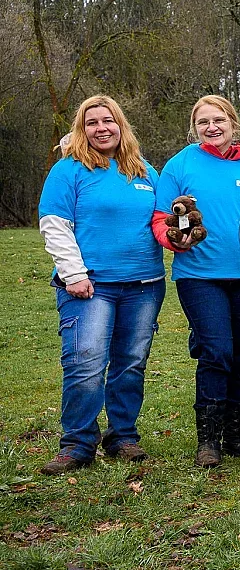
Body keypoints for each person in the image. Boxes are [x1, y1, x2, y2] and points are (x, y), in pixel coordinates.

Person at [37, 96, 166, 474]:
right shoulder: (69, 170)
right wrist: (73, 273)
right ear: (82, 129)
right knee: (86, 363)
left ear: (120, 125)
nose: (101, 128)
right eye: (91, 122)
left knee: (131, 364)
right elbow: (54, 223)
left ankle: (123, 437)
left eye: (108, 120)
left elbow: (160, 220)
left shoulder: (143, 170)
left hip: (144, 285)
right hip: (90, 286)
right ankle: (77, 443)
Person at [154, 95, 240, 468]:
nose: (212, 127)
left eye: (219, 120)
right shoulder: (181, 164)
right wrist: (174, 238)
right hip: (199, 275)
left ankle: (236, 436)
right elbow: (164, 218)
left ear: (233, 123)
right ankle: (208, 441)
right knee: (217, 352)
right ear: (195, 128)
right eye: (204, 121)